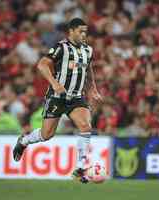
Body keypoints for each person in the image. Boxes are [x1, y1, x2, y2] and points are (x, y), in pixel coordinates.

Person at [12, 18, 102, 183]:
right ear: (71, 31)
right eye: (80, 31)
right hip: (57, 97)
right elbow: (42, 65)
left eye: (85, 32)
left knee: (85, 126)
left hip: (76, 97)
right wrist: (55, 83)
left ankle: (80, 168)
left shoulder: (88, 50)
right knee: (47, 135)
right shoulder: (61, 47)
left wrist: (93, 88)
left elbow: (88, 69)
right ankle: (24, 140)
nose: (83, 35)